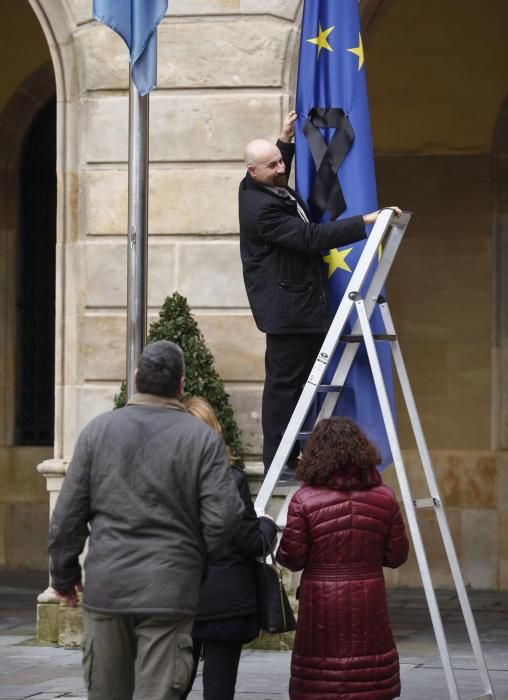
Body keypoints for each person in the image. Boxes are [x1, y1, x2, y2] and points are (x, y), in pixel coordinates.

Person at [48, 341, 245, 700]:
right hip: (170, 589)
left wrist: (64, 576)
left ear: (136, 379)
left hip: (108, 587)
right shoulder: (202, 438)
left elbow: (66, 517)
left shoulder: (97, 431)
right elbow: (226, 515)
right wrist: (193, 559)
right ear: (181, 385)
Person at [239, 110, 400, 474]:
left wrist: (285, 140)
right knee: (284, 391)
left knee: (301, 390)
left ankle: (295, 456)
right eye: (273, 165)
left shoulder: (258, 184)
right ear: (253, 172)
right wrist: (365, 222)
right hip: (288, 314)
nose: (282, 168)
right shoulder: (260, 209)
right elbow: (310, 239)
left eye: (281, 161)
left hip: (299, 307)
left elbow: (276, 166)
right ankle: (277, 464)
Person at [276, 417, 409, 700]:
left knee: (319, 682)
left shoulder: (304, 499)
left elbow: (292, 558)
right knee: (370, 679)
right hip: (367, 595)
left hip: (321, 599)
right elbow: (397, 555)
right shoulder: (385, 497)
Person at [181, 396, 278, 700]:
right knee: (219, 690)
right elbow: (251, 542)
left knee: (172, 688)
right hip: (225, 600)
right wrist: (267, 525)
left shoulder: (162, 478)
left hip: (177, 597)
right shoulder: (228, 479)